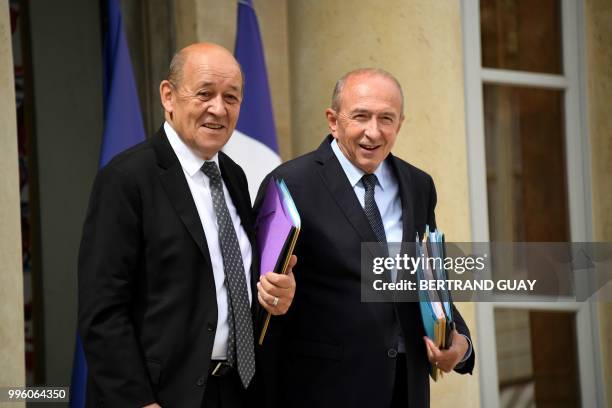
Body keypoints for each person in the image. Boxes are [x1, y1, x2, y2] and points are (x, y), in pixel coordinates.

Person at [78, 42, 296, 408]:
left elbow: (230, 283)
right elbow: (103, 311)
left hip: (239, 392)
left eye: (232, 97)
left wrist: (276, 294)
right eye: (205, 93)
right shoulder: (127, 178)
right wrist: (138, 401)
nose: (219, 109)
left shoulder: (234, 176)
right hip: (162, 396)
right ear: (168, 95)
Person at [256, 68, 474, 408]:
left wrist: (460, 343)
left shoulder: (419, 186)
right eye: (360, 116)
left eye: (386, 119)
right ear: (333, 120)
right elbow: (262, 301)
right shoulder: (288, 184)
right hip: (324, 390)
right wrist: (274, 293)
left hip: (407, 388)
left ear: (400, 124)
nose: (373, 132)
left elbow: (430, 279)